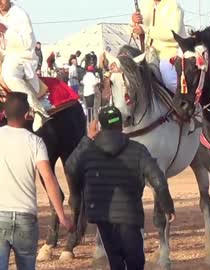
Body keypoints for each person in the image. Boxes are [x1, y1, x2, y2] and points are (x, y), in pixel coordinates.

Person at [65, 105, 176, 270]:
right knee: (135, 262)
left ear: (100, 126)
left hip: (102, 215)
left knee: (115, 260)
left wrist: (87, 138)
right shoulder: (138, 150)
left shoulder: (89, 151)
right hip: (130, 214)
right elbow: (158, 180)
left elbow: (70, 167)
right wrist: (168, 206)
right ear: (122, 125)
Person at [0, 93, 74, 270]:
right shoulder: (36, 142)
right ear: (28, 115)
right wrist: (62, 216)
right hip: (26, 218)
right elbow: (48, 179)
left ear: (4, 113)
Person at [0, 0, 53, 131]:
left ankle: (38, 110)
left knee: (9, 76)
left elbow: (28, 43)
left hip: (21, 56)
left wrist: (6, 31)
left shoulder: (19, 14)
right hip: (3, 56)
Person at [131, 0, 187, 92]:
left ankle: (189, 104)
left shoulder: (173, 6)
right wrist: (134, 23)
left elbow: (173, 33)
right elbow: (136, 34)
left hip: (170, 53)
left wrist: (146, 30)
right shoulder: (146, 6)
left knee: (169, 81)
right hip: (149, 54)